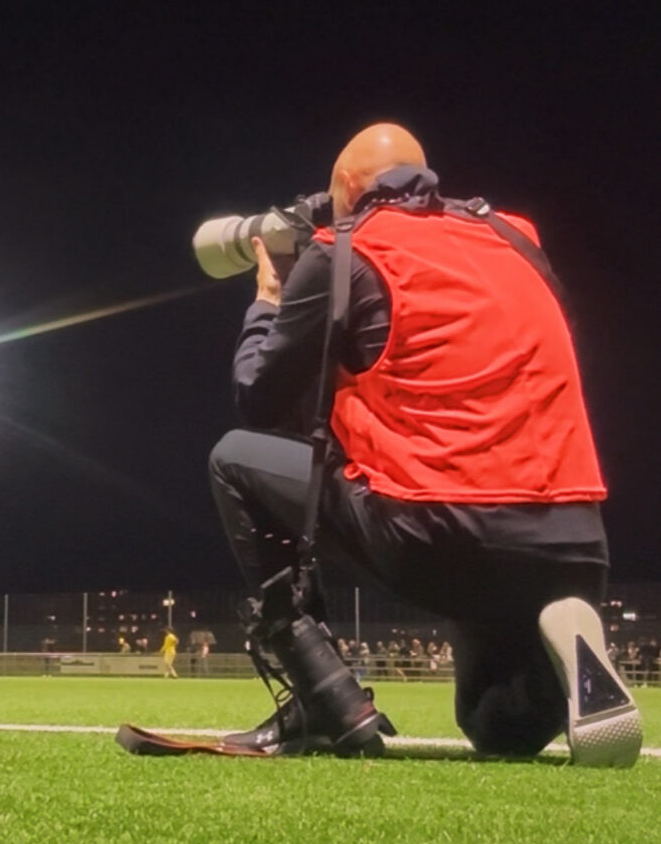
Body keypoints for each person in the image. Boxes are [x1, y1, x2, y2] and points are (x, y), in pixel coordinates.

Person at [210, 122, 642, 766]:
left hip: (445, 532)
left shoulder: (346, 250)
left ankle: (324, 703)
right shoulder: (514, 236)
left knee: (235, 459)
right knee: (498, 731)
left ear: (350, 187)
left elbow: (259, 398)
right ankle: (570, 641)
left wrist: (269, 300)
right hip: (571, 545)